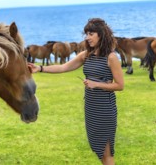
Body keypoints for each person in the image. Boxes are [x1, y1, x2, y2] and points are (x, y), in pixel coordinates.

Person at [28, 18, 124, 165]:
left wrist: (96, 84)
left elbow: (120, 85)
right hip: (91, 107)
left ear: (101, 35)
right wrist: (40, 68)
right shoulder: (86, 55)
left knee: (107, 153)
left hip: (105, 109)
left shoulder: (111, 57)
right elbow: (63, 67)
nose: (87, 37)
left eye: (91, 34)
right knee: (99, 151)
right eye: (86, 34)